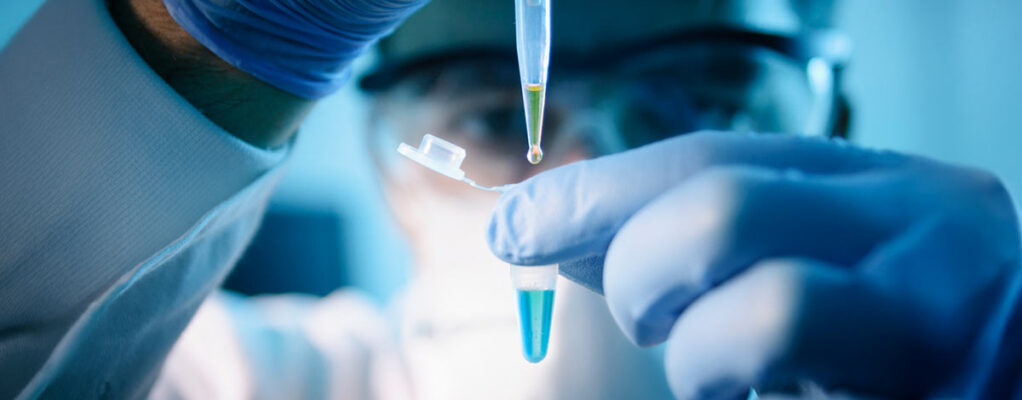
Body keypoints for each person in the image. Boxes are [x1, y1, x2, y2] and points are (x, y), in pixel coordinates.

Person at [0, 1, 1018, 400]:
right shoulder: (227, 382)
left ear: (835, 114)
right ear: (385, 159)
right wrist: (191, 42)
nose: (585, 158)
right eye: (497, 114)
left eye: (704, 89)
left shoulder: (960, 358)